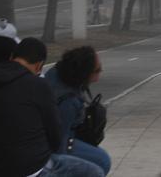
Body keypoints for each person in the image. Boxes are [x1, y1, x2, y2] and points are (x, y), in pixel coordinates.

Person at [0, 37, 103, 177]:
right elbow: (55, 138)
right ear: (39, 66)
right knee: (95, 171)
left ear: (12, 57)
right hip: (31, 170)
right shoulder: (38, 86)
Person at [44, 46, 111, 174]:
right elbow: (59, 144)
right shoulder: (67, 101)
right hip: (58, 142)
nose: (98, 78)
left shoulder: (58, 73)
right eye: (97, 71)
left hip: (58, 136)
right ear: (83, 72)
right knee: (102, 161)